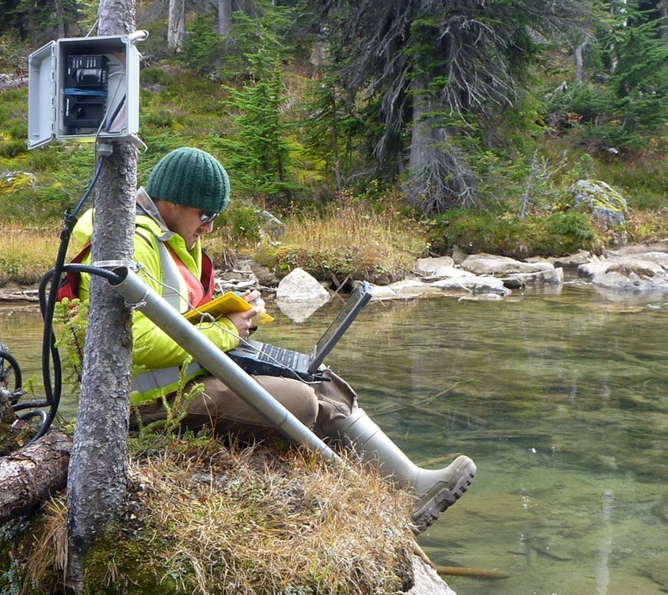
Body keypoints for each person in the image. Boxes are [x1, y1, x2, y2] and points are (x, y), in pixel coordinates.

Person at [64, 147, 475, 530]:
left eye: (214, 217)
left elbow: (177, 315)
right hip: (145, 403)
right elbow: (134, 344)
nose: (208, 227)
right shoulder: (129, 240)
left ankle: (408, 486)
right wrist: (227, 330)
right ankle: (383, 504)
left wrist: (232, 312)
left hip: (181, 377)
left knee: (323, 382)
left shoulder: (167, 233)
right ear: (172, 201)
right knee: (300, 401)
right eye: (204, 214)